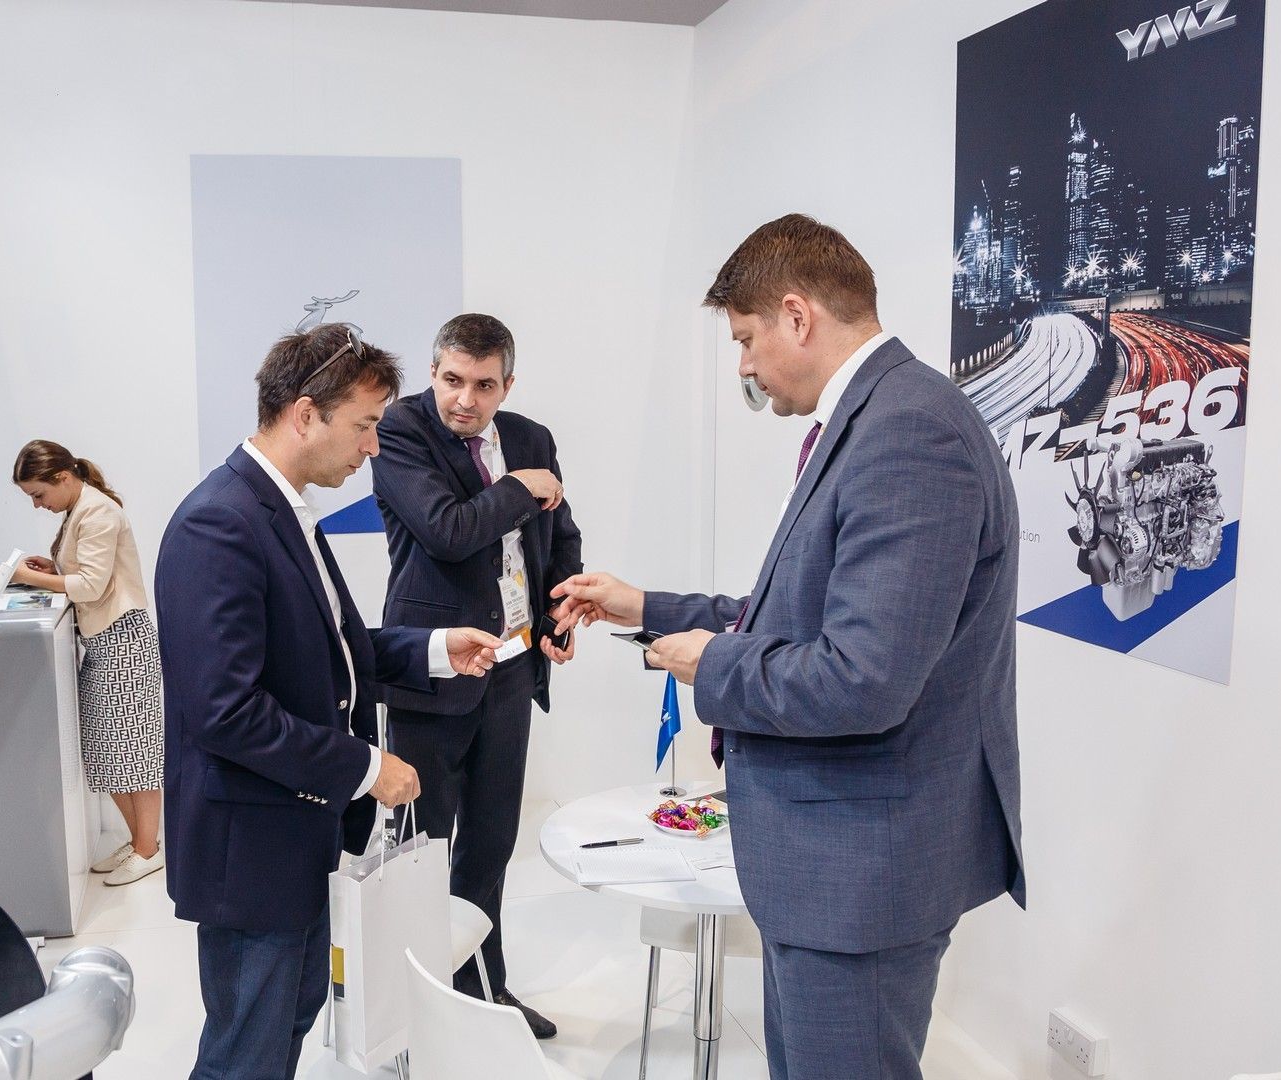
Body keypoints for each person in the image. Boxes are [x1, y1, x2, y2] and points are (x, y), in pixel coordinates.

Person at [552, 214, 1025, 1080]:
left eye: (744, 338)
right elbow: (795, 616)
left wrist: (710, 664)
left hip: (859, 878)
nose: (742, 365)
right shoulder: (875, 421)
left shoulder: (909, 434)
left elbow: (863, 678)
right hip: (829, 871)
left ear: (797, 316)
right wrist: (643, 605)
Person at [154, 323, 504, 1080]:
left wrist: (435, 647)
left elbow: (332, 652)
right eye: (365, 425)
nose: (374, 446)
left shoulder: (280, 509)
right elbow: (226, 712)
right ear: (305, 415)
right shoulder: (219, 523)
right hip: (251, 848)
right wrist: (367, 766)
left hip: (300, 833)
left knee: (287, 1024)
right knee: (246, 1053)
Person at [369, 312, 582, 1035]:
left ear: (507, 385)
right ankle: (417, 1010)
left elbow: (560, 537)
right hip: (431, 669)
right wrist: (520, 487)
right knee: (422, 851)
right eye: (452, 380)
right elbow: (448, 530)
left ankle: (483, 994)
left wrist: (556, 613)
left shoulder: (531, 438)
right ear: (433, 372)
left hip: (512, 670)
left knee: (490, 844)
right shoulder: (401, 431)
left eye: (484, 385)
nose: (465, 399)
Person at [10, 440, 166, 887]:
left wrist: (27, 576)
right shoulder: (79, 509)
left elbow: (92, 586)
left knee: (134, 751)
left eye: (39, 494)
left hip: (123, 643)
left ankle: (147, 849)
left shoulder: (98, 512)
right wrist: (51, 568)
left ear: (62, 477)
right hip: (104, 643)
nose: (38, 505)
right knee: (105, 750)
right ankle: (140, 841)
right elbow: (85, 573)